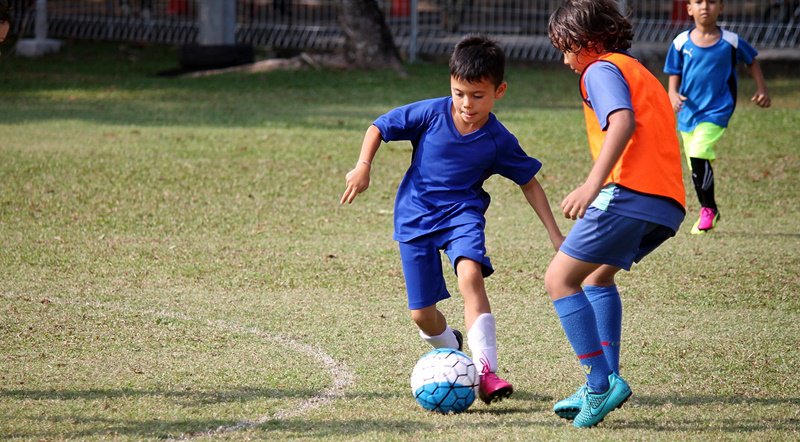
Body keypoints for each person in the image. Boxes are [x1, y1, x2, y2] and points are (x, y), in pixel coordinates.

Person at [340, 34, 564, 405]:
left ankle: (487, 372)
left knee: (470, 275)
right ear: (451, 85)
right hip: (415, 218)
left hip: (462, 215)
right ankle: (452, 350)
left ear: (499, 91)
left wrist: (555, 235)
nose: (467, 104)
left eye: (478, 95)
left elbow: (529, 183)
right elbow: (379, 126)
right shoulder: (430, 113)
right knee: (421, 315)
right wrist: (363, 165)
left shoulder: (498, 140)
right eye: (460, 93)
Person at [545, 0, 686, 428]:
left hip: (628, 194)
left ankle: (599, 383)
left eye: (566, 48)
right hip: (666, 204)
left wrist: (592, 184)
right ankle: (606, 381)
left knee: (558, 279)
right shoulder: (637, 69)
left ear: (588, 42)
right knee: (595, 277)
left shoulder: (600, 70)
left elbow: (621, 123)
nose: (565, 59)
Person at [664, 0, 771, 234]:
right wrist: (672, 94)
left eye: (711, 2)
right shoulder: (681, 42)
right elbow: (674, 71)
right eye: (698, 2)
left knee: (699, 152)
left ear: (721, 7)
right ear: (689, 9)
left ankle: (708, 209)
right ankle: (710, 209)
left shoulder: (730, 42)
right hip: (688, 112)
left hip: (717, 110)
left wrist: (761, 89)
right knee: (695, 164)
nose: (705, 7)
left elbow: (752, 61)